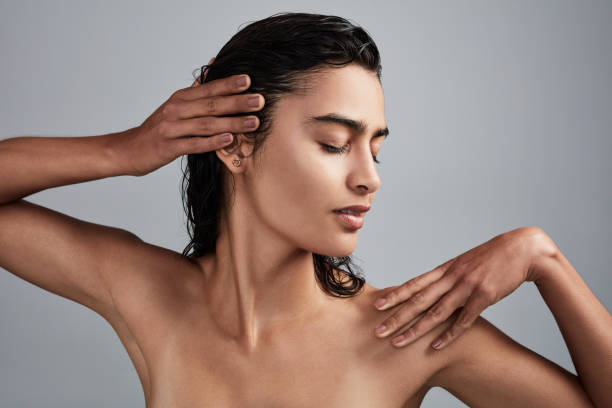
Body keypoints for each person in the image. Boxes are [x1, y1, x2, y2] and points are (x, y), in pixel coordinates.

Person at [0, 11, 603, 408]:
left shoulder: (407, 332)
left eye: (376, 149)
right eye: (335, 144)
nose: (369, 178)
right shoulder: (148, 293)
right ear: (235, 144)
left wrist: (541, 257)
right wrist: (125, 149)